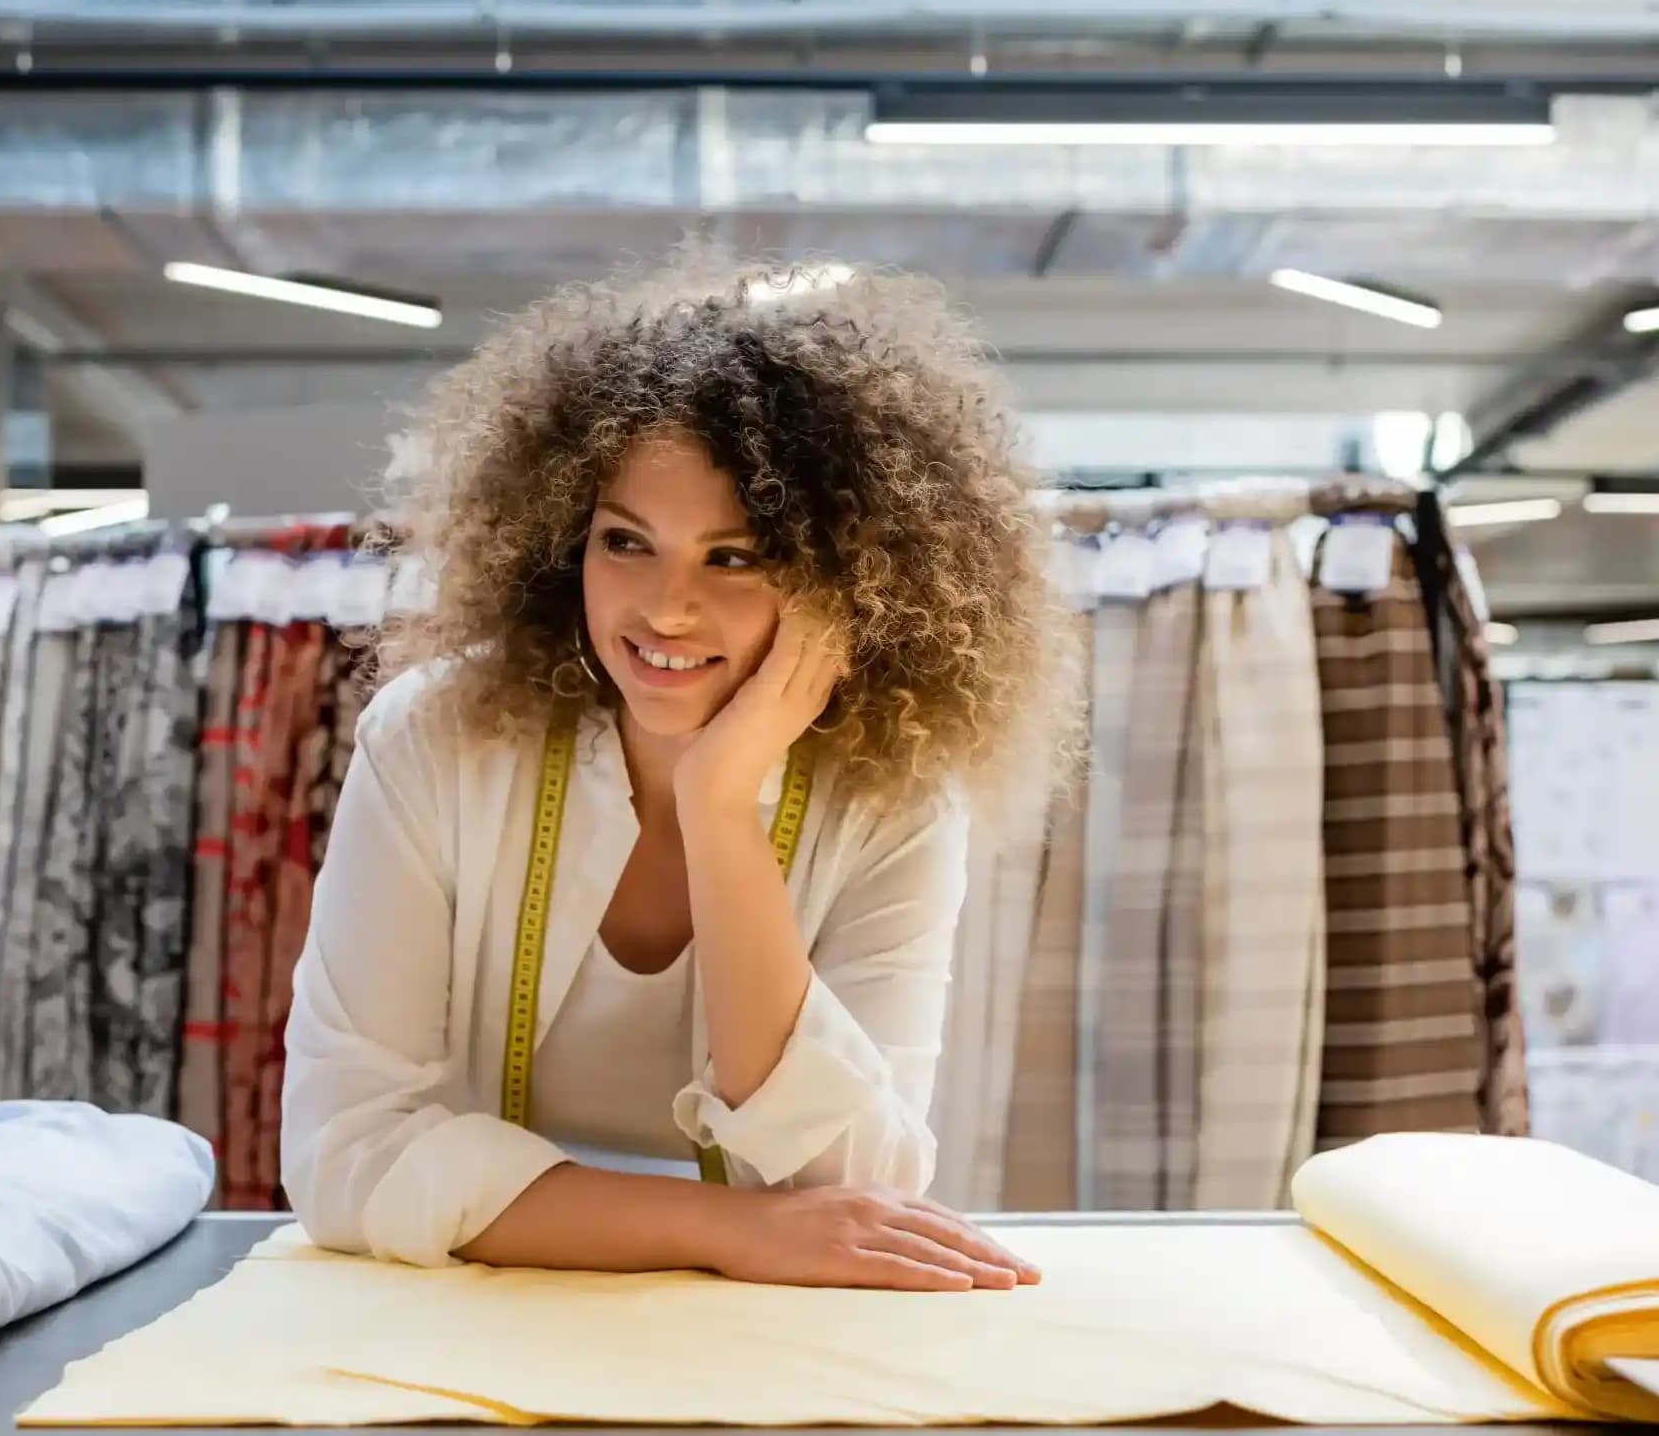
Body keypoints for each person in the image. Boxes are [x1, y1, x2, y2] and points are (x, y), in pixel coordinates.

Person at [280, 257, 1074, 1291]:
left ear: (850, 585)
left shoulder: (895, 797)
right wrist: (727, 1229)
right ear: (564, 541)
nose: (664, 609)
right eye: (626, 542)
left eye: (733, 557)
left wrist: (718, 805)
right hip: (475, 1324)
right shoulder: (435, 740)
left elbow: (856, 1173)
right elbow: (344, 1152)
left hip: (754, 1342)